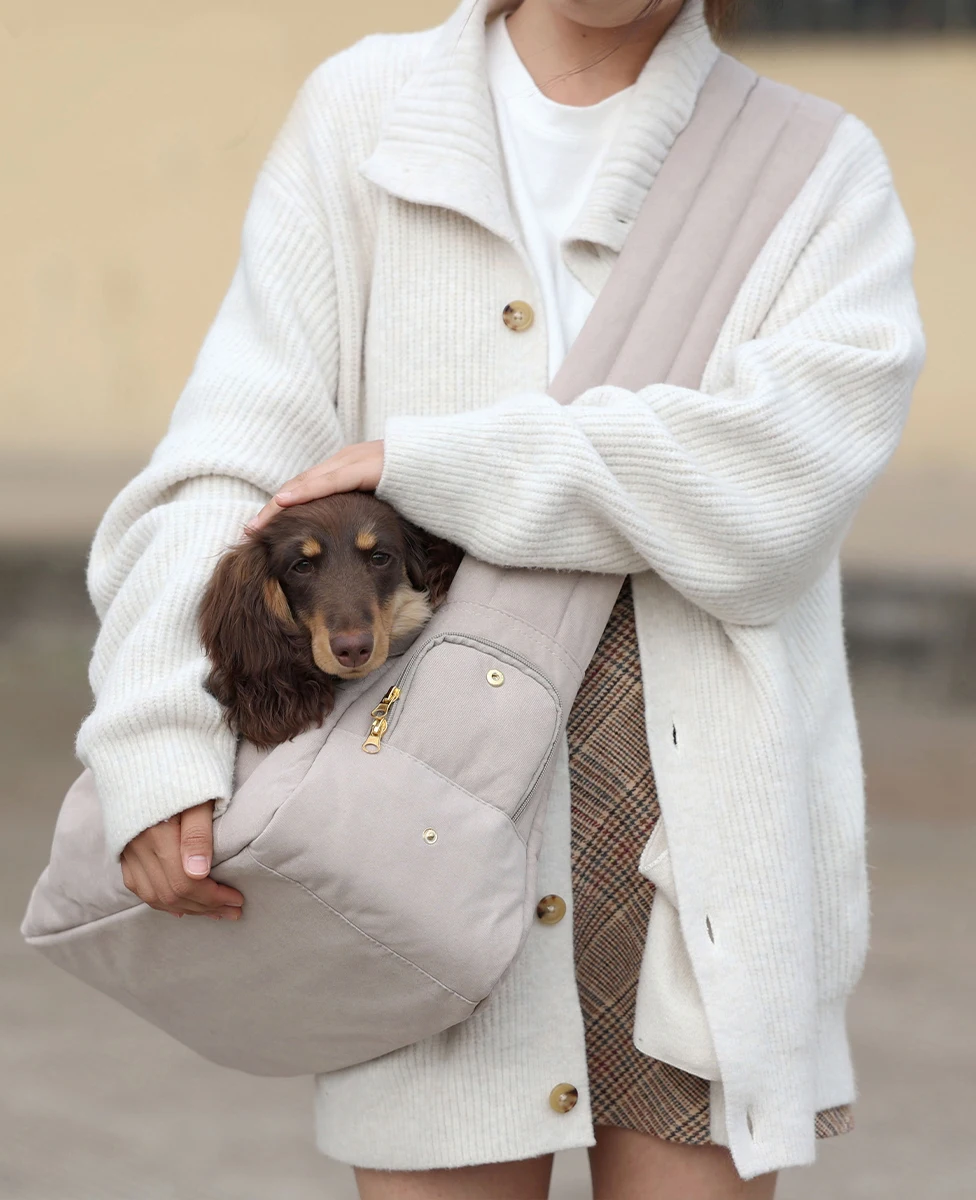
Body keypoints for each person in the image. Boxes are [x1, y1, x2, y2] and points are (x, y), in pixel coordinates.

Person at [75, 0, 924, 1196]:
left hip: (696, 842)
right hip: (416, 806)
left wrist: (443, 467)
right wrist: (160, 737)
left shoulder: (809, 169)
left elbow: (781, 492)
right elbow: (230, 464)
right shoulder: (367, 116)